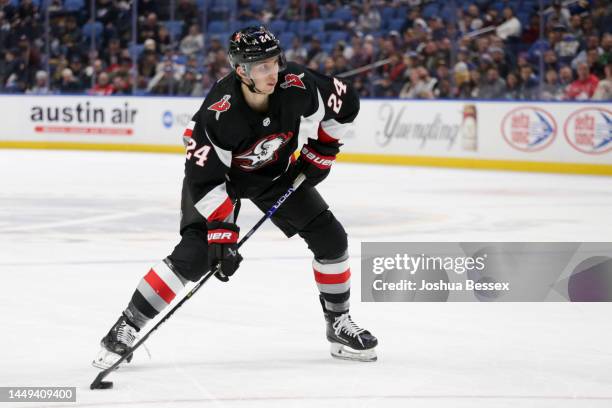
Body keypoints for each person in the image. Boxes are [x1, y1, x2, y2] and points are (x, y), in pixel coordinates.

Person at [92, 26, 378, 369]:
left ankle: (338, 324)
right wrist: (222, 234)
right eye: (262, 67)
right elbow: (204, 180)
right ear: (241, 70)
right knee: (197, 255)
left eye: (275, 62)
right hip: (219, 181)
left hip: (273, 173)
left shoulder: (298, 83)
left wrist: (323, 148)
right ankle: (126, 325)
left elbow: (346, 103)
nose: (273, 73)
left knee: (331, 238)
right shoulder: (218, 112)